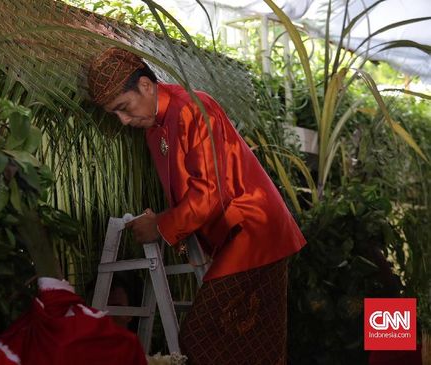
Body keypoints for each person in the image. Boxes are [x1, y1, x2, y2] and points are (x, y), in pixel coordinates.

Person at [88, 47, 307, 365]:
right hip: (233, 237)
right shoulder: (154, 130)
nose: (122, 120)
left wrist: (161, 226)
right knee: (255, 343)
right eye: (115, 114)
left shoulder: (193, 106)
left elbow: (210, 194)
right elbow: (187, 194)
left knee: (202, 337)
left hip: (254, 229)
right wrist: (163, 220)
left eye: (123, 107)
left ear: (146, 86)